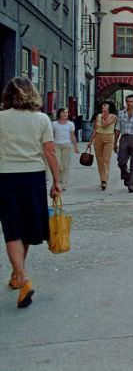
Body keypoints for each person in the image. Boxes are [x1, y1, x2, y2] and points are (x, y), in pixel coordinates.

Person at [0, 78, 61, 308]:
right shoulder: (41, 119)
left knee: (12, 229)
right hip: (33, 177)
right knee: (25, 227)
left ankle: (20, 276)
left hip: (5, 176)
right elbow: (50, 152)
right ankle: (21, 276)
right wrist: (57, 181)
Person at [88, 100, 117, 190]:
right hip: (98, 138)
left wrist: (104, 116)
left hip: (109, 138)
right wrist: (90, 141)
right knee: (99, 160)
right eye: (103, 105)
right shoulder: (98, 116)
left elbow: (105, 125)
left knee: (106, 160)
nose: (103, 107)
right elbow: (95, 129)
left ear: (109, 107)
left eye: (105, 105)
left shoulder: (113, 116)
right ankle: (102, 179)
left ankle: (105, 180)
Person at [51, 108, 79, 192]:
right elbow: (51, 135)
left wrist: (75, 146)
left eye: (66, 113)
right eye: (63, 113)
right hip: (56, 145)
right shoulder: (54, 124)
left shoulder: (70, 124)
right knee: (58, 164)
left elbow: (72, 136)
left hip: (67, 145)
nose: (65, 114)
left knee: (65, 165)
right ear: (59, 114)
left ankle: (64, 184)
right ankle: (57, 182)